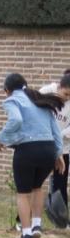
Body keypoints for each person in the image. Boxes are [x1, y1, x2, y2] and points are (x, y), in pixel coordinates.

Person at [0, 72, 66, 238]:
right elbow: (56, 131)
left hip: (28, 150)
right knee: (37, 188)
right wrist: (58, 154)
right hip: (49, 150)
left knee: (23, 193)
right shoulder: (39, 99)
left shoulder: (12, 100)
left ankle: (26, 236)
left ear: (7, 90)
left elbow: (16, 120)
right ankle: (36, 226)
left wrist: (1, 137)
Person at [39, 69, 70, 215]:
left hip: (62, 148)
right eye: (66, 94)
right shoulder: (46, 92)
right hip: (42, 146)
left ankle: (61, 217)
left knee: (60, 183)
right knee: (34, 183)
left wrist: (59, 135)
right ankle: (25, 218)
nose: (67, 98)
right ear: (59, 86)